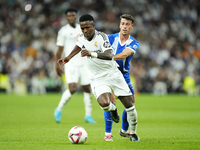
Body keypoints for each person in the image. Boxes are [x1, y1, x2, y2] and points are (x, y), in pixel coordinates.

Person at [57, 14, 139, 142]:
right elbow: (79, 45)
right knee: (105, 104)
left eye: (87, 28)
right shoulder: (83, 37)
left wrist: (91, 54)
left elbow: (110, 54)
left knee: (130, 105)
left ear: (93, 26)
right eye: (82, 28)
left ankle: (132, 133)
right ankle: (111, 118)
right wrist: (68, 57)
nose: (85, 31)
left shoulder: (103, 37)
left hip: (114, 74)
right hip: (97, 77)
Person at [54, 8, 96, 124]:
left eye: (73, 15)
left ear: (76, 16)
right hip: (71, 64)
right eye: (69, 16)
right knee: (72, 88)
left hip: (84, 63)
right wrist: (57, 65)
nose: (71, 17)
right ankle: (59, 109)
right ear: (66, 17)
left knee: (87, 88)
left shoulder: (82, 28)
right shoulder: (63, 31)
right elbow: (59, 49)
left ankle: (88, 115)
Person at [103, 14, 139, 141]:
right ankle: (108, 134)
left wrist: (110, 57)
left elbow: (125, 54)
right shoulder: (110, 38)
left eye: (127, 24)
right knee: (110, 102)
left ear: (131, 26)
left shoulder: (134, 43)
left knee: (131, 102)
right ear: (119, 25)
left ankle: (124, 130)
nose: (124, 26)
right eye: (123, 23)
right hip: (108, 74)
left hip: (123, 75)